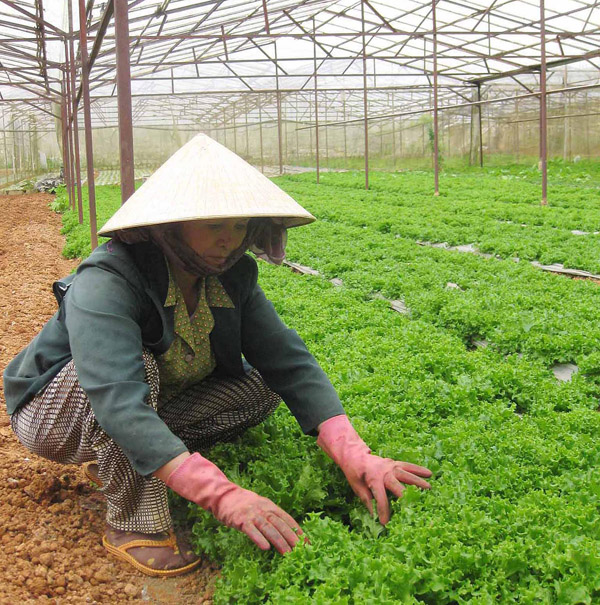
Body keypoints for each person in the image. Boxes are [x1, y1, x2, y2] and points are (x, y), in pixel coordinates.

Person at [3, 134, 432, 577]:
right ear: (171, 225)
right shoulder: (109, 279)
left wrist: (355, 453)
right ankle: (133, 525)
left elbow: (287, 360)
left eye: (239, 225)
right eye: (212, 225)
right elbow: (117, 399)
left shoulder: (232, 276)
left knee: (262, 386)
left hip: (142, 400)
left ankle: (138, 459)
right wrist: (223, 495)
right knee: (138, 374)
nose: (229, 239)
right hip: (52, 413)